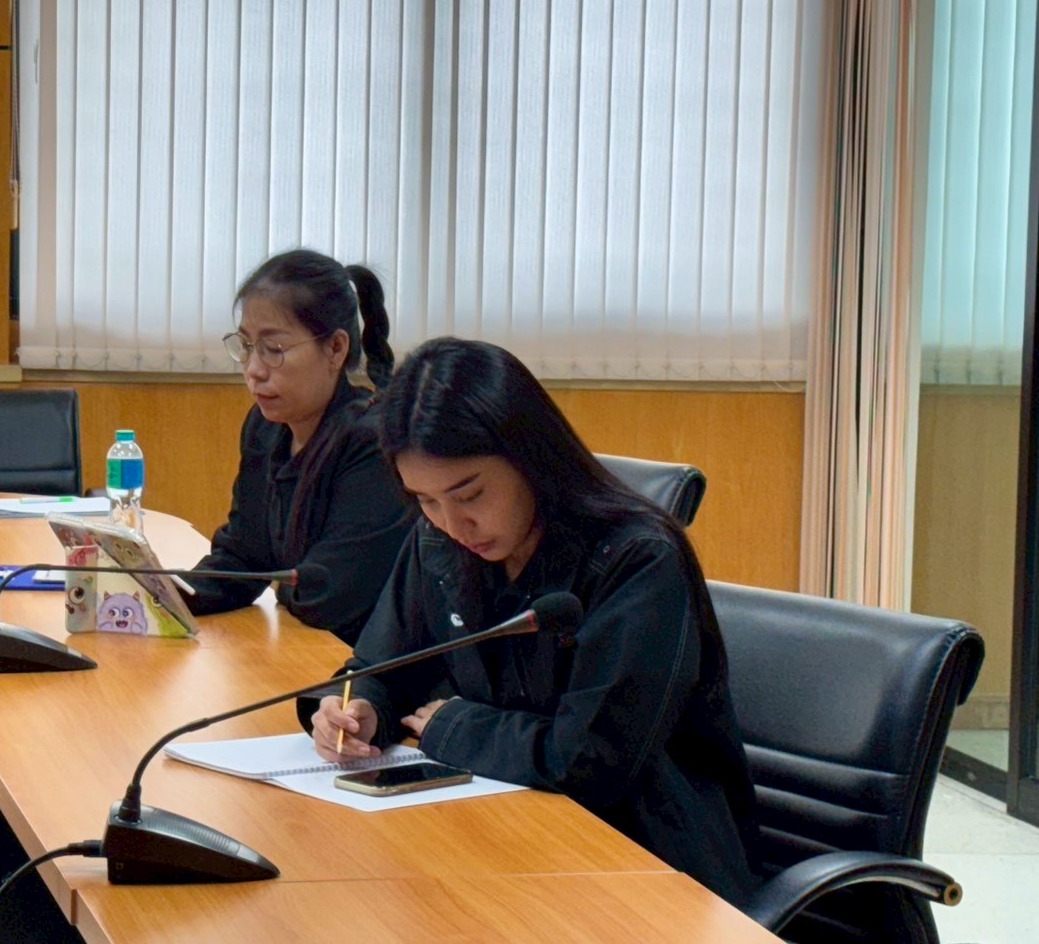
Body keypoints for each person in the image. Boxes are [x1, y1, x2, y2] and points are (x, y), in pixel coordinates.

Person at [306, 337, 761, 905]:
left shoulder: (637, 560)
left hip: (647, 863)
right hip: (508, 831)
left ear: (529, 457)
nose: (453, 524)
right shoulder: (439, 542)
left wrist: (455, 727)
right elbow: (385, 665)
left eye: (470, 494)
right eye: (426, 500)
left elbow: (591, 761)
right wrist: (358, 708)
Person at [182, 248, 416, 646]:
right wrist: (164, 594)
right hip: (304, 645)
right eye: (246, 345)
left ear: (336, 349)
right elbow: (243, 557)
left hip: (366, 663)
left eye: (274, 349)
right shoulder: (265, 427)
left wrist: (274, 581)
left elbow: (328, 597)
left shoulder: (372, 442)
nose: (254, 370)